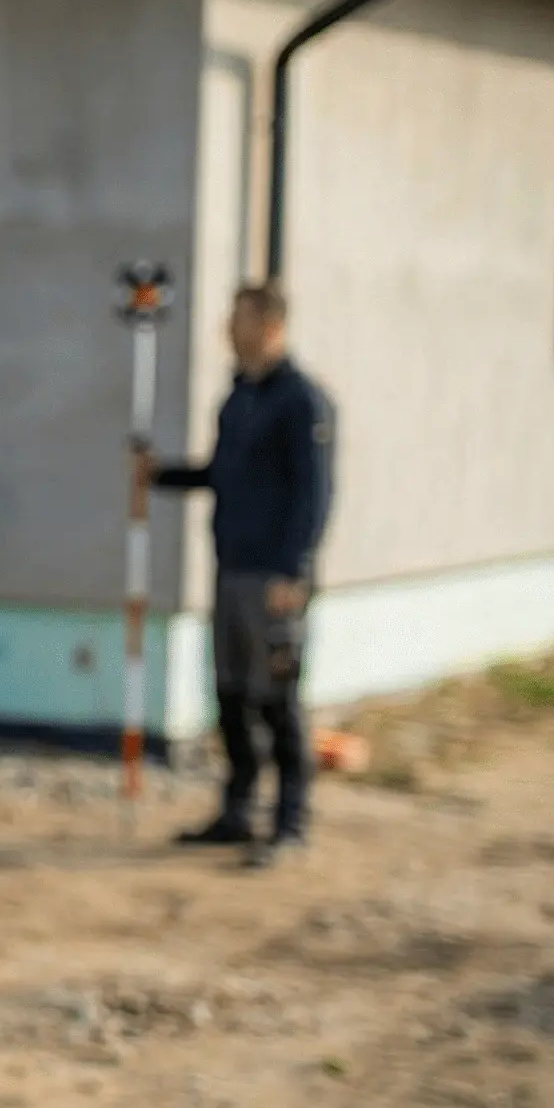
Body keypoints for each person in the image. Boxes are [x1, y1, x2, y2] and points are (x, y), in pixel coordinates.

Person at [147, 282, 335, 870]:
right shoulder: (238, 399)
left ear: (271, 326)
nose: (229, 329)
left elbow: (314, 495)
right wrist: (161, 477)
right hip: (232, 569)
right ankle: (238, 812)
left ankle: (290, 824)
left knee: (278, 698)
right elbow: (222, 475)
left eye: (240, 319)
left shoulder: (302, 402)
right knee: (230, 696)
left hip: (275, 579)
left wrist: (293, 570)